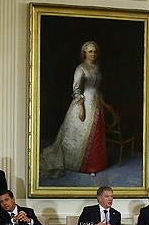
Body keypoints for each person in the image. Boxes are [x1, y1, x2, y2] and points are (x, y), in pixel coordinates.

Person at [39, 41, 107, 178]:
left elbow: (97, 89)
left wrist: (104, 103)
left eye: (94, 51)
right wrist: (81, 107)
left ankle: (95, 165)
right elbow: (76, 90)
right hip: (84, 104)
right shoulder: (80, 69)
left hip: (97, 104)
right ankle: (83, 165)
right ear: (84, 53)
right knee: (81, 136)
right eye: (90, 51)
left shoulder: (96, 68)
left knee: (96, 135)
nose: (93, 54)